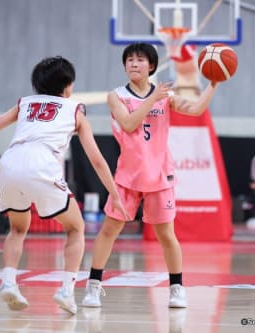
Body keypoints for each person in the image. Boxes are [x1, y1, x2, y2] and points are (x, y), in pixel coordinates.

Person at [0, 56, 128, 315]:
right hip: (42, 164)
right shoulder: (75, 109)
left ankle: (8, 282)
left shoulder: (24, 103)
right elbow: (96, 159)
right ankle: (66, 291)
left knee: (17, 228)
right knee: (75, 228)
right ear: (68, 85)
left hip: (10, 163)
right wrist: (114, 194)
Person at [81, 43, 219, 309]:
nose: (134, 63)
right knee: (110, 230)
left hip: (160, 175)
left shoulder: (165, 96)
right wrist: (152, 100)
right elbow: (129, 124)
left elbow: (195, 109)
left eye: (140, 59)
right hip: (128, 176)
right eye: (130, 59)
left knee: (167, 235)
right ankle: (93, 286)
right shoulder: (116, 95)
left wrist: (213, 84)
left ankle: (177, 289)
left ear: (152, 66)